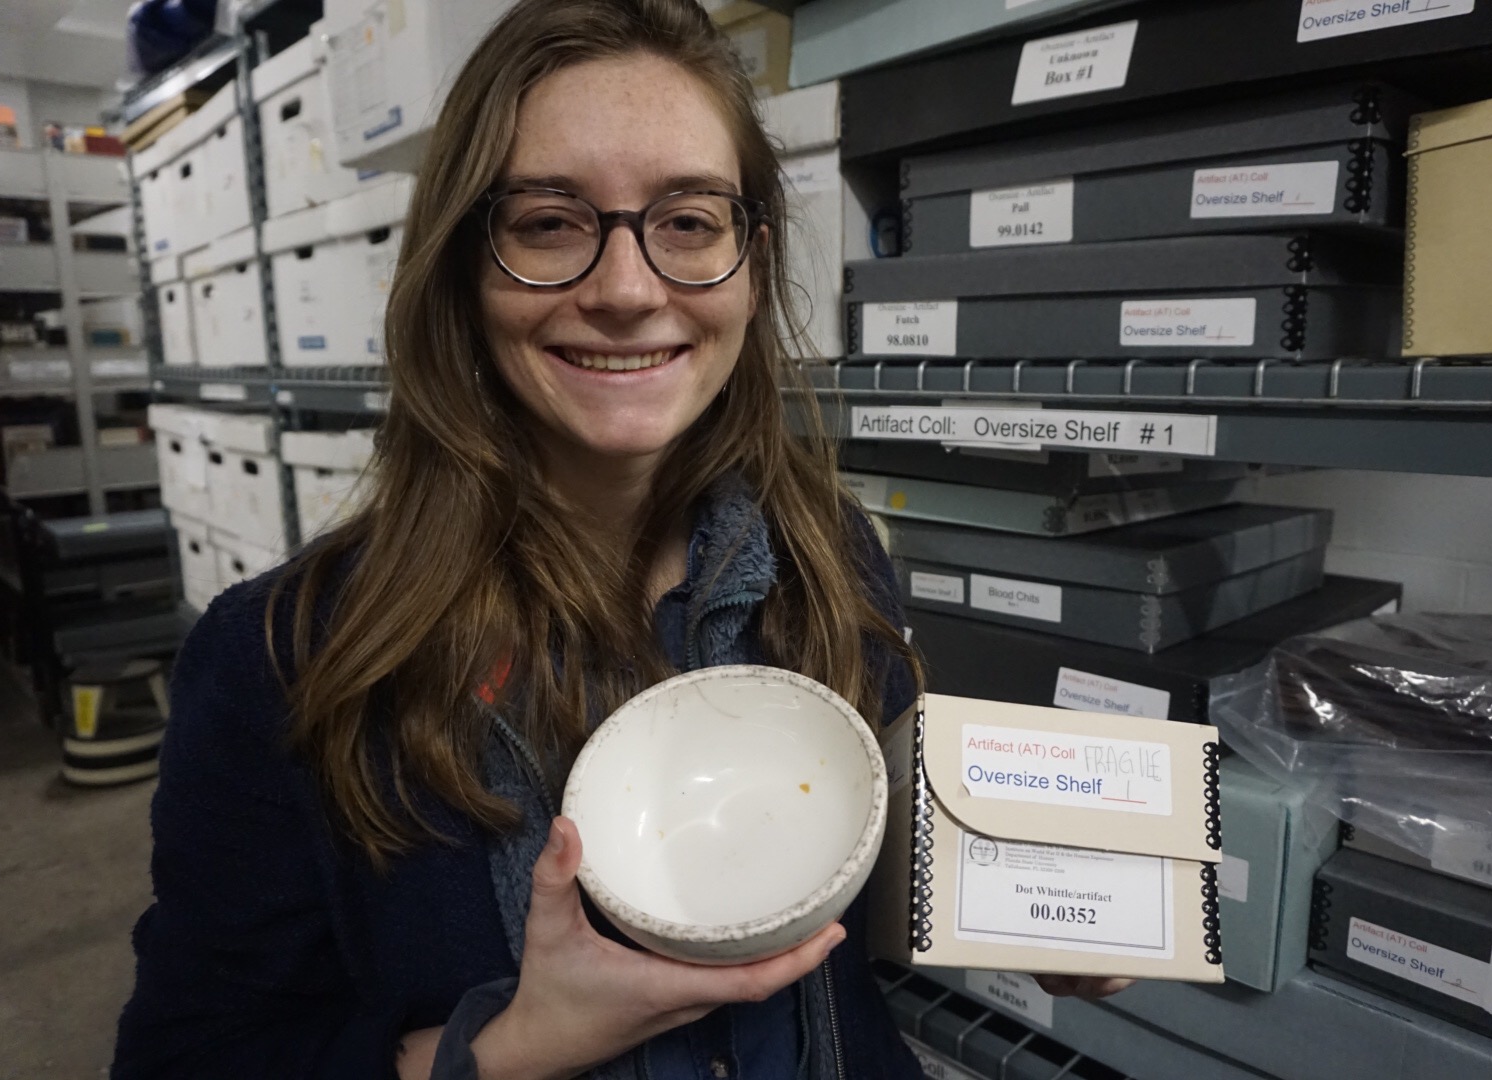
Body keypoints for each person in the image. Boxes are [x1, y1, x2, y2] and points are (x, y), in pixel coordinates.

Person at [112, 2, 1126, 1077]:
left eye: (688, 222)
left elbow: (845, 885)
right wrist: (513, 1046)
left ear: (751, 263)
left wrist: (1018, 898)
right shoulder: (284, 658)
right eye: (549, 223)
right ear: (462, 266)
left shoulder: (826, 555)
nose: (628, 291)